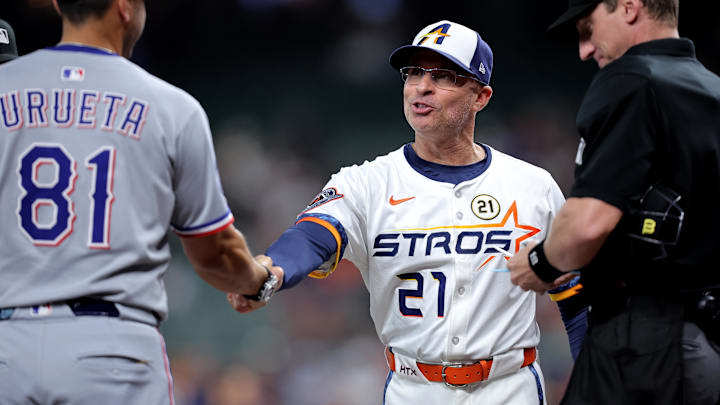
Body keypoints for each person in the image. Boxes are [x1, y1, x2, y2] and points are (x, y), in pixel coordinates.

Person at [228, 20, 580, 404]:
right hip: (413, 388)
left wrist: (593, 380)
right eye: (413, 72)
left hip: (510, 387)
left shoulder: (533, 186)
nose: (421, 86)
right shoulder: (366, 183)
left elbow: (575, 295)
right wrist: (271, 271)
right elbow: (313, 234)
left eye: (443, 75)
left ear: (480, 96)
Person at [0, 0, 281, 403]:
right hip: (111, 348)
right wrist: (256, 281)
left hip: (7, 344)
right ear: (124, 8)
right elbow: (214, 253)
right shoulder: (171, 107)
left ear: (61, 5)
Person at [507, 0, 720, 404]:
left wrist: (541, 262)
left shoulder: (632, 78)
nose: (585, 49)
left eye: (589, 27)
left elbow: (589, 222)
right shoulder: (710, 86)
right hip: (706, 339)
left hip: (643, 343)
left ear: (628, 7)